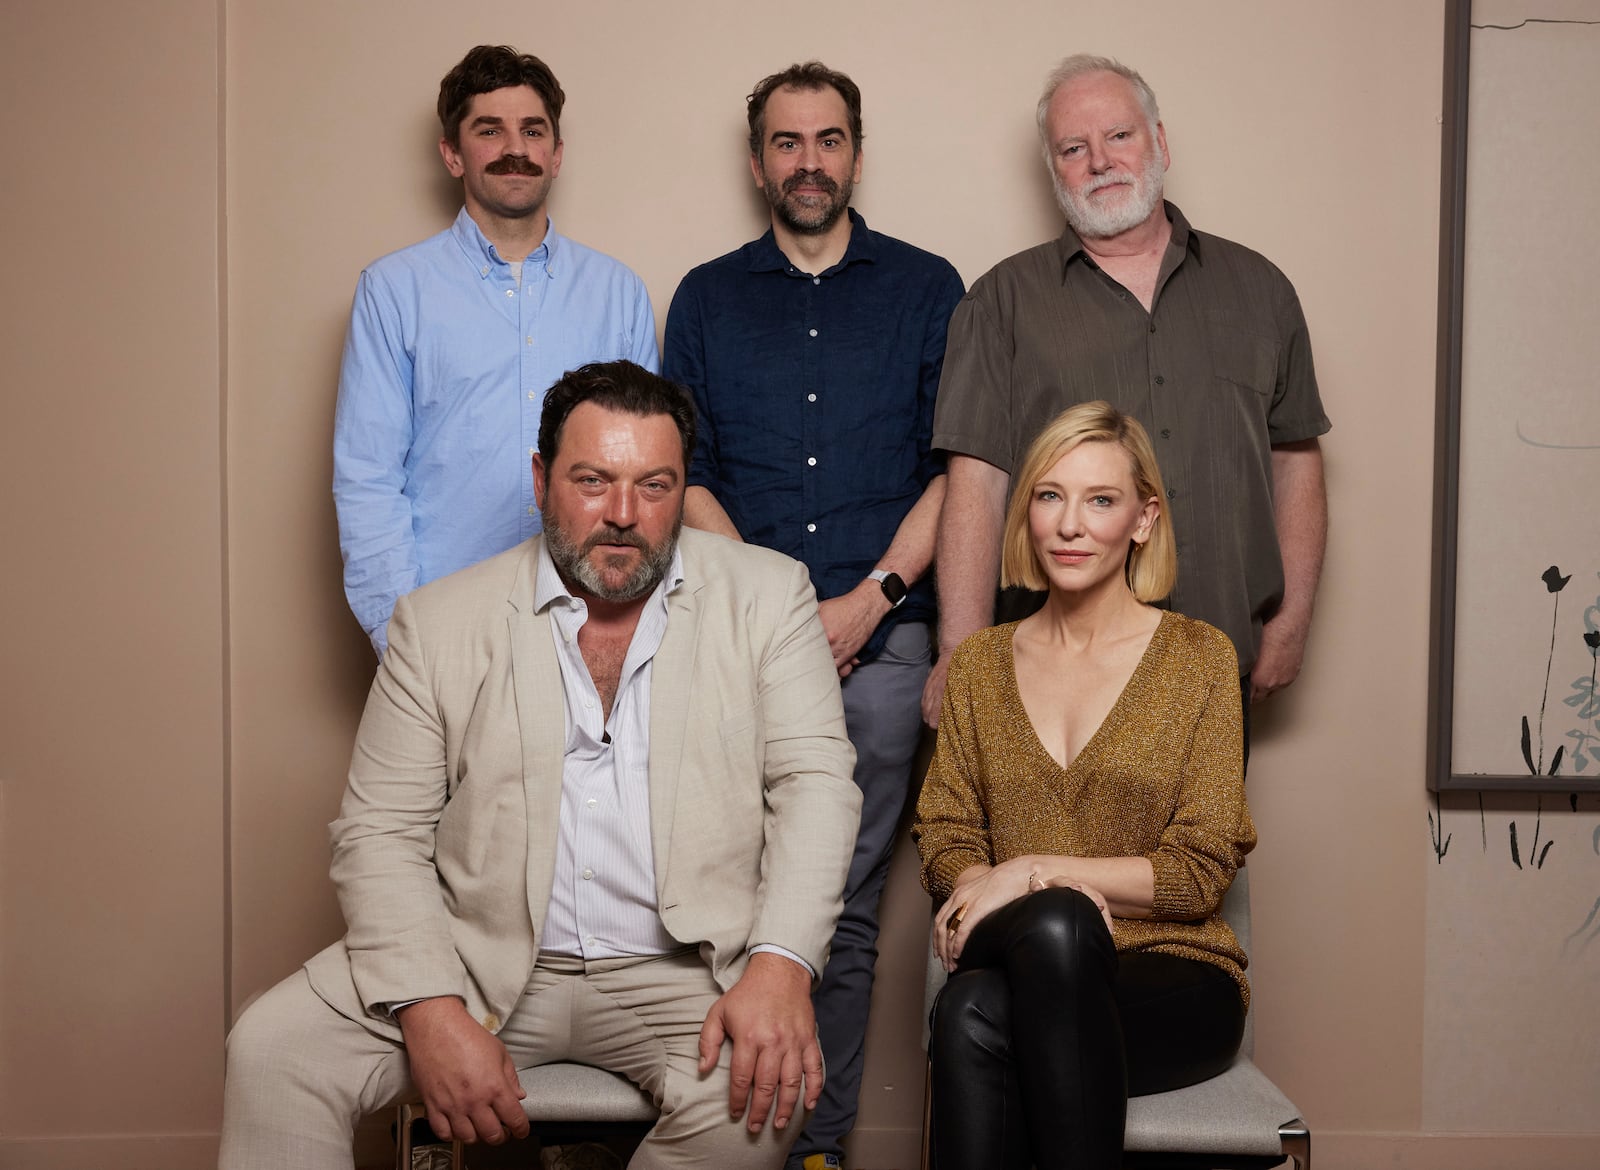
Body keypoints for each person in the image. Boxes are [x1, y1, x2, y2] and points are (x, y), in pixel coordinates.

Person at [222, 362, 861, 1170]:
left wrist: (780, 965)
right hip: (473, 955)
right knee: (273, 1053)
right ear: (540, 479)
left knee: (765, 1095)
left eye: (654, 485)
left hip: (681, 969)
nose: (623, 514)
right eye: (592, 480)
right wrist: (429, 1005)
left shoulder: (770, 597)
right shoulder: (438, 622)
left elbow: (817, 791)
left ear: (682, 488)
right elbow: (379, 832)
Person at [661, 61, 964, 1170]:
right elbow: (684, 475)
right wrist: (781, 621)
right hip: (732, 648)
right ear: (757, 163)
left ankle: (813, 1148)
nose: (808, 161)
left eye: (827, 140)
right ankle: (720, 1140)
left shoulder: (930, 289)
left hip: (883, 646)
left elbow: (958, 468)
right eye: (786, 143)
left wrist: (872, 598)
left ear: (855, 154)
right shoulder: (705, 296)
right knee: (713, 902)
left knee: (834, 909)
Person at [924, 53, 1330, 737]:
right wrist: (960, 656)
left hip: (1216, 661)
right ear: (1055, 170)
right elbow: (976, 487)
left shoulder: (1261, 290)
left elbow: (1296, 464)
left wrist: (1288, 628)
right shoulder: (1000, 302)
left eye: (1119, 136)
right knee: (1043, 851)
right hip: (1047, 673)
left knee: (1197, 849)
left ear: (1160, 142)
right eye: (1073, 148)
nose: (1100, 161)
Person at [913, 402, 1255, 1169]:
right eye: (1049, 495)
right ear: (1027, 513)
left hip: (1172, 978)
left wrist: (1032, 875)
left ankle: (1055, 919)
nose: (1071, 524)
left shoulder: (1199, 659)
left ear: (1143, 518)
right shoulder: (978, 665)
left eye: (1100, 500)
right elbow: (946, 835)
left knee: (974, 1006)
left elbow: (1199, 871)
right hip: (1017, 954)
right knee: (1055, 928)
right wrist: (991, 886)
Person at [334, 45, 658, 657]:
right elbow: (367, 479)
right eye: (490, 130)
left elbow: (642, 479)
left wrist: (622, 626)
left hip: (589, 624)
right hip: (443, 625)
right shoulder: (393, 291)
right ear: (452, 153)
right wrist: (400, 639)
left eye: (532, 131)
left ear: (556, 154)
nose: (516, 148)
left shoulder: (618, 293)